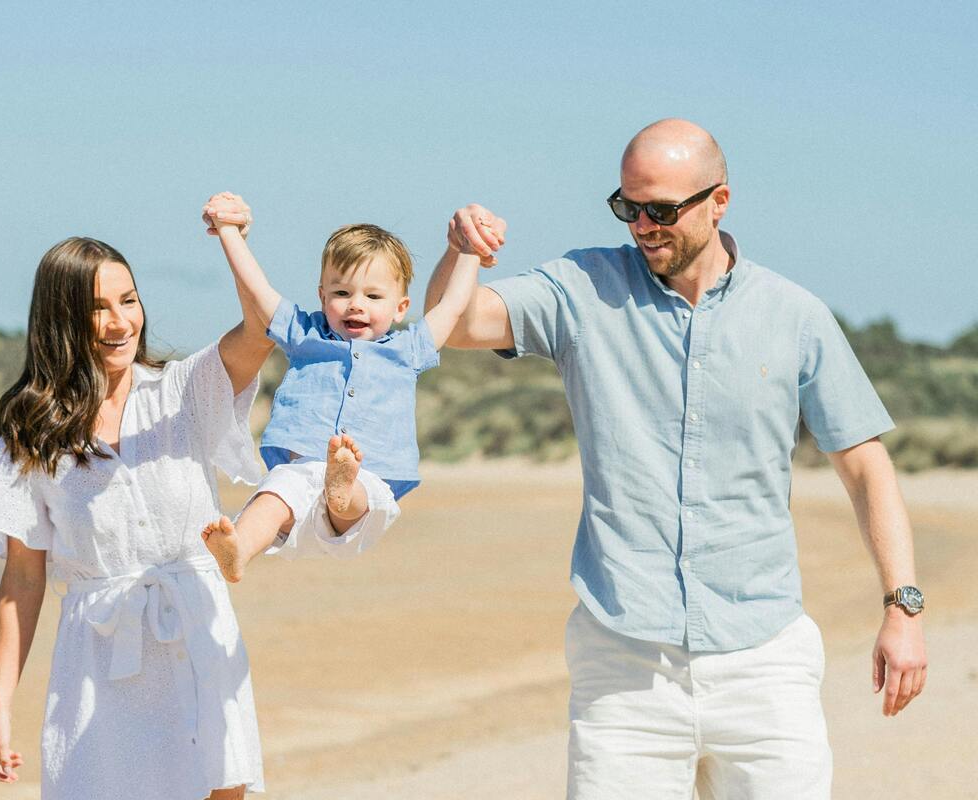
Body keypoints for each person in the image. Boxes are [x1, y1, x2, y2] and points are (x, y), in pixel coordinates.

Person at [427, 118, 928, 798]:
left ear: (719, 202)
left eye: (661, 210)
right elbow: (452, 324)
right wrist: (460, 252)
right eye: (627, 206)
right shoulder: (581, 289)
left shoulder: (796, 316)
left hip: (766, 664)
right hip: (623, 668)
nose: (642, 226)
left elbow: (866, 467)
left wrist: (903, 609)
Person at [0, 235, 272, 800]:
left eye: (128, 301)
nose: (120, 322)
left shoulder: (185, 390)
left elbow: (264, 327)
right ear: (60, 320)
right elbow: (23, 577)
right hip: (97, 662)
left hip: (197, 635)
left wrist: (232, 236)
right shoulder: (30, 432)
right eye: (97, 309)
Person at [197, 192, 483, 580]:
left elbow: (452, 305)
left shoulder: (408, 349)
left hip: (370, 471)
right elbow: (257, 288)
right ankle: (239, 551)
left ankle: (342, 489)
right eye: (342, 293)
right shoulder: (304, 334)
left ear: (401, 307)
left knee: (358, 498)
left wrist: (471, 250)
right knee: (272, 498)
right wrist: (229, 232)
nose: (356, 304)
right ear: (322, 296)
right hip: (302, 465)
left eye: (373, 296)